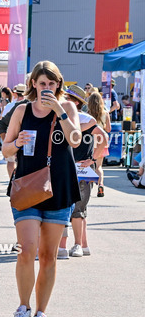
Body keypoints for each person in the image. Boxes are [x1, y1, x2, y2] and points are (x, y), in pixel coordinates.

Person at [2, 61, 82, 317]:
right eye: (41, 83)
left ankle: (41, 313)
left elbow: (75, 140)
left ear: (58, 84)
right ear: (33, 84)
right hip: (27, 186)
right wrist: (17, 144)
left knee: (49, 256)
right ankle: (23, 308)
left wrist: (59, 110)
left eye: (51, 83)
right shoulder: (22, 110)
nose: (46, 88)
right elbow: (4, 149)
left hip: (58, 188)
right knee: (26, 250)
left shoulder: (68, 108)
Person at [66, 86, 107, 257]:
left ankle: (78, 245)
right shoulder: (78, 119)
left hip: (80, 168)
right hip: (74, 168)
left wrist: (93, 161)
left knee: (77, 209)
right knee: (79, 210)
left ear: (76, 102)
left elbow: (104, 138)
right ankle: (83, 245)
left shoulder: (84, 119)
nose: (64, 100)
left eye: (67, 98)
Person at [87, 91, 111, 200]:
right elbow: (109, 129)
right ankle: (100, 184)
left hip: (90, 141)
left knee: (89, 165)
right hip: (101, 141)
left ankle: (87, 187)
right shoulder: (105, 113)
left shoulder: (87, 112)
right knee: (99, 166)